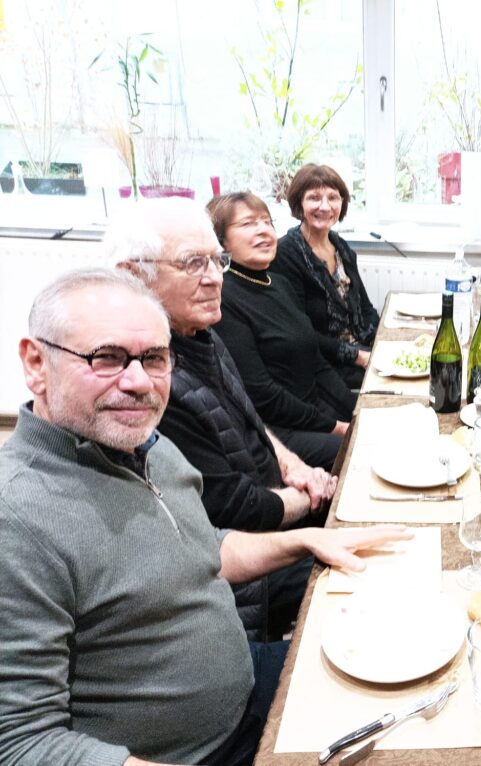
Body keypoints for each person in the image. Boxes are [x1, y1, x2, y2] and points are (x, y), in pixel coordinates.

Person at [0, 267, 410, 765]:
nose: (137, 383)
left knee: (410, 675)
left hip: (248, 683)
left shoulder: (148, 445)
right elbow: (22, 743)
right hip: (193, 754)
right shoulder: (17, 518)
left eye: (154, 358)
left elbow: (202, 546)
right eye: (106, 358)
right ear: (36, 363)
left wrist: (305, 543)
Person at [109, 197, 337, 638]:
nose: (216, 279)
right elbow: (231, 508)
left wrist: (295, 466)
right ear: (133, 274)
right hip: (246, 575)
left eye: (217, 261)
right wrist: (315, 495)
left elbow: (252, 417)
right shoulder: (148, 384)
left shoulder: (202, 335)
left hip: (273, 504)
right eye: (194, 263)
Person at [208, 192, 354, 471]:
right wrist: (338, 427)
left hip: (313, 412)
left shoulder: (279, 283)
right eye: (248, 224)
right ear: (221, 241)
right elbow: (264, 396)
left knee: (384, 425)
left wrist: (356, 411)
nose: (263, 229)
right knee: (363, 452)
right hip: (276, 431)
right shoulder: (224, 298)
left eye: (267, 221)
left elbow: (317, 363)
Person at [271, 163, 379, 388]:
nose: (325, 206)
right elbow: (301, 332)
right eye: (314, 198)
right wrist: (359, 357)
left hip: (361, 350)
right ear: (299, 203)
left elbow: (366, 308)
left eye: (333, 197)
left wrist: (382, 344)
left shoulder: (342, 248)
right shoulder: (285, 254)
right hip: (324, 365)